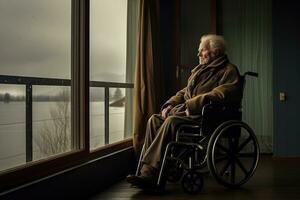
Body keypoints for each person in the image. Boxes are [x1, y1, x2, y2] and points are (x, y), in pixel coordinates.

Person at [126, 34, 243, 190]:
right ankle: (148, 172)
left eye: (202, 51)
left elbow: (221, 94)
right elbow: (184, 92)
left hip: (205, 115)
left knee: (171, 121)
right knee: (154, 119)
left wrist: (191, 106)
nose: (198, 54)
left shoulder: (229, 70)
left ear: (214, 52)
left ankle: (151, 174)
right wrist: (169, 104)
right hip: (188, 113)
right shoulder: (200, 70)